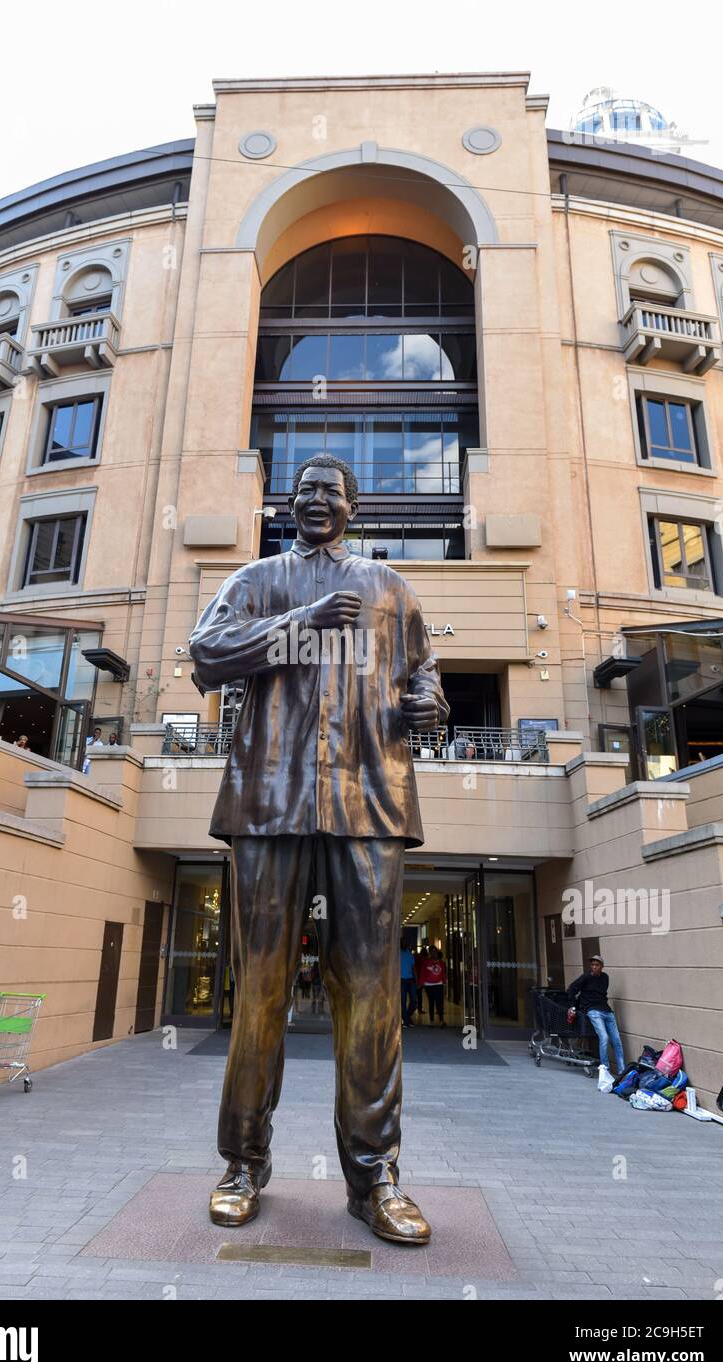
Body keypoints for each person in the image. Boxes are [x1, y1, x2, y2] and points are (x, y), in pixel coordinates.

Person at [189, 452, 447, 1245]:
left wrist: (426, 701)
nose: (316, 503)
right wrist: (297, 624)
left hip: (367, 801)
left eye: (330, 494)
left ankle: (375, 1180)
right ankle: (241, 1163)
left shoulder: (388, 588)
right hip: (269, 801)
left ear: (352, 506)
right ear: (287, 504)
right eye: (303, 493)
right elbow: (205, 657)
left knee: (369, 995)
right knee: (262, 986)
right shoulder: (257, 580)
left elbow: (423, 673)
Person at [567, 954, 625, 1077]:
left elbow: (601, 994)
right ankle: (605, 1070)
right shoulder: (586, 977)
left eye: (597, 965)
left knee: (617, 1041)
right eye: (592, 965)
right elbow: (572, 989)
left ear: (602, 966)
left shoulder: (605, 977)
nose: (594, 967)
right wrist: (573, 1006)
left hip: (607, 1011)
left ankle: (622, 1071)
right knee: (604, 1037)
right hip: (593, 1011)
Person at [418, 946, 447, 1025]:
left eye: (434, 951)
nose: (433, 953)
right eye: (431, 951)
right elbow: (423, 973)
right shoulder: (427, 962)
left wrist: (444, 984)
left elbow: (443, 974)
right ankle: (431, 1021)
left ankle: (441, 1021)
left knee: (439, 1002)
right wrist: (420, 984)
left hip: (439, 984)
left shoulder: (441, 963)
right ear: (430, 953)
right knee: (431, 1002)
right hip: (429, 985)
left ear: (437, 952)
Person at [400, 938, 417, 1027]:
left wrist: (416, 979)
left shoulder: (410, 954)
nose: (404, 943)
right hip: (401, 980)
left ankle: (406, 1016)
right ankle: (406, 1021)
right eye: (403, 942)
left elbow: (413, 968)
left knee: (414, 1001)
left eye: (406, 942)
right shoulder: (397, 954)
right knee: (402, 1002)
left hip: (410, 980)